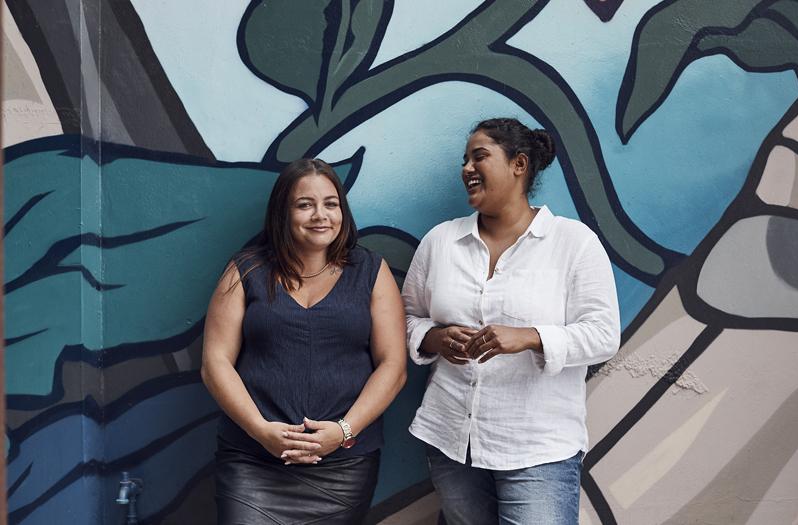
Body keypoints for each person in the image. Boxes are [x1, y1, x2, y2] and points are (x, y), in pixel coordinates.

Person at [402, 118, 620, 525]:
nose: (467, 167)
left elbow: (604, 336)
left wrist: (531, 337)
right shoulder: (441, 242)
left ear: (519, 165)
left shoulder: (573, 243)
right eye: (464, 159)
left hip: (538, 448)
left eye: (479, 156)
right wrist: (435, 338)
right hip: (452, 441)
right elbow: (407, 317)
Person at [201, 158, 407, 524]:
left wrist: (342, 431)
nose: (320, 215)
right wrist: (260, 430)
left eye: (331, 204)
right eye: (304, 204)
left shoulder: (371, 272)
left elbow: (393, 367)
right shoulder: (246, 269)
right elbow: (215, 362)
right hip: (252, 459)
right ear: (283, 212)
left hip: (343, 466)